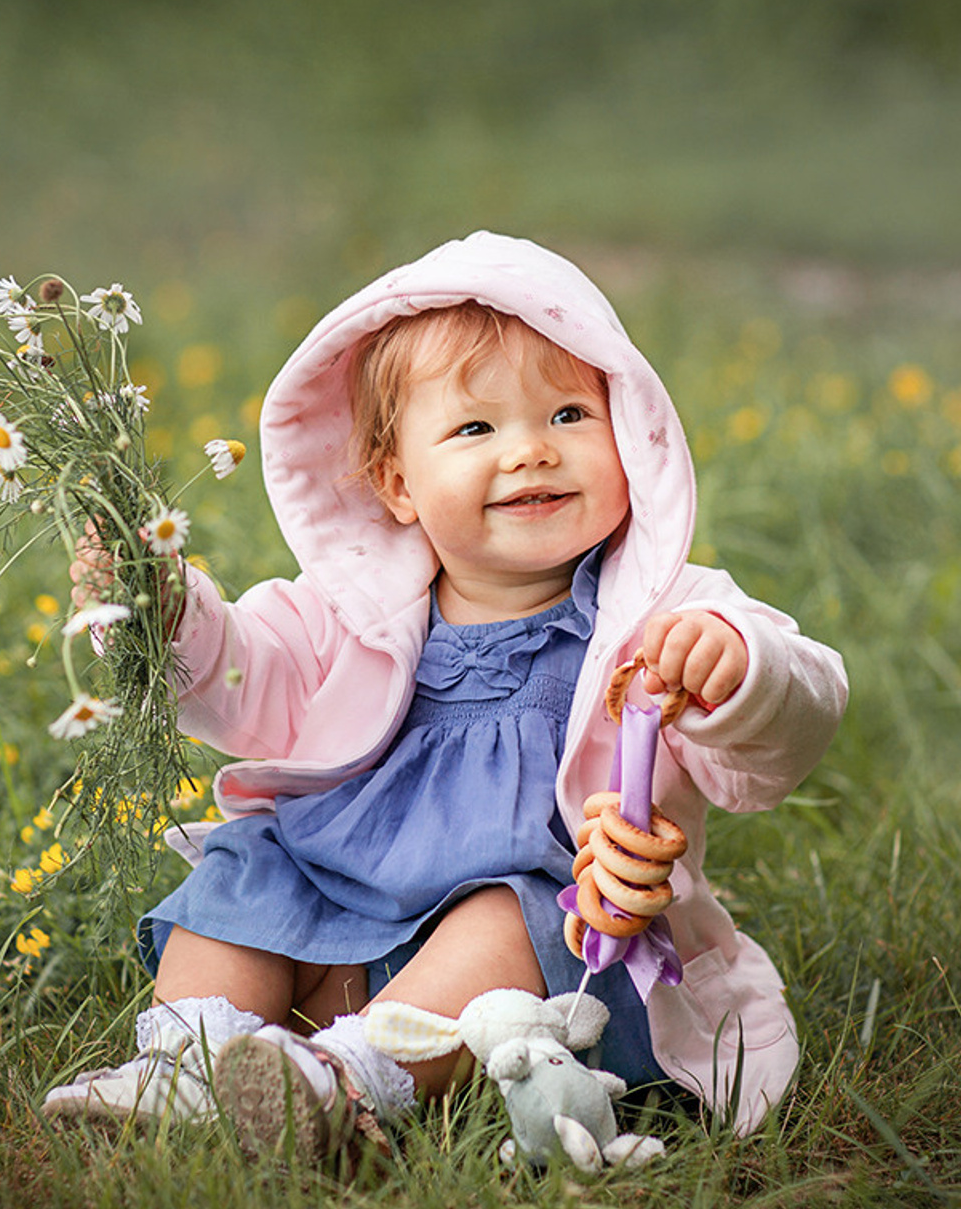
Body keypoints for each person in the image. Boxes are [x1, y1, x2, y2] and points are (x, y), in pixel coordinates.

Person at [42, 231, 847, 1157]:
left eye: (570, 416)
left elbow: (801, 714)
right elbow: (241, 677)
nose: (531, 454)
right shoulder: (349, 613)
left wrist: (738, 667)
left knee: (516, 906)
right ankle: (192, 1064)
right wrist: (163, 611)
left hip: (547, 973)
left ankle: (341, 1084)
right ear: (396, 483)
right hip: (341, 943)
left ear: (630, 431)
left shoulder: (660, 618)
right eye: (476, 429)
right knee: (248, 867)